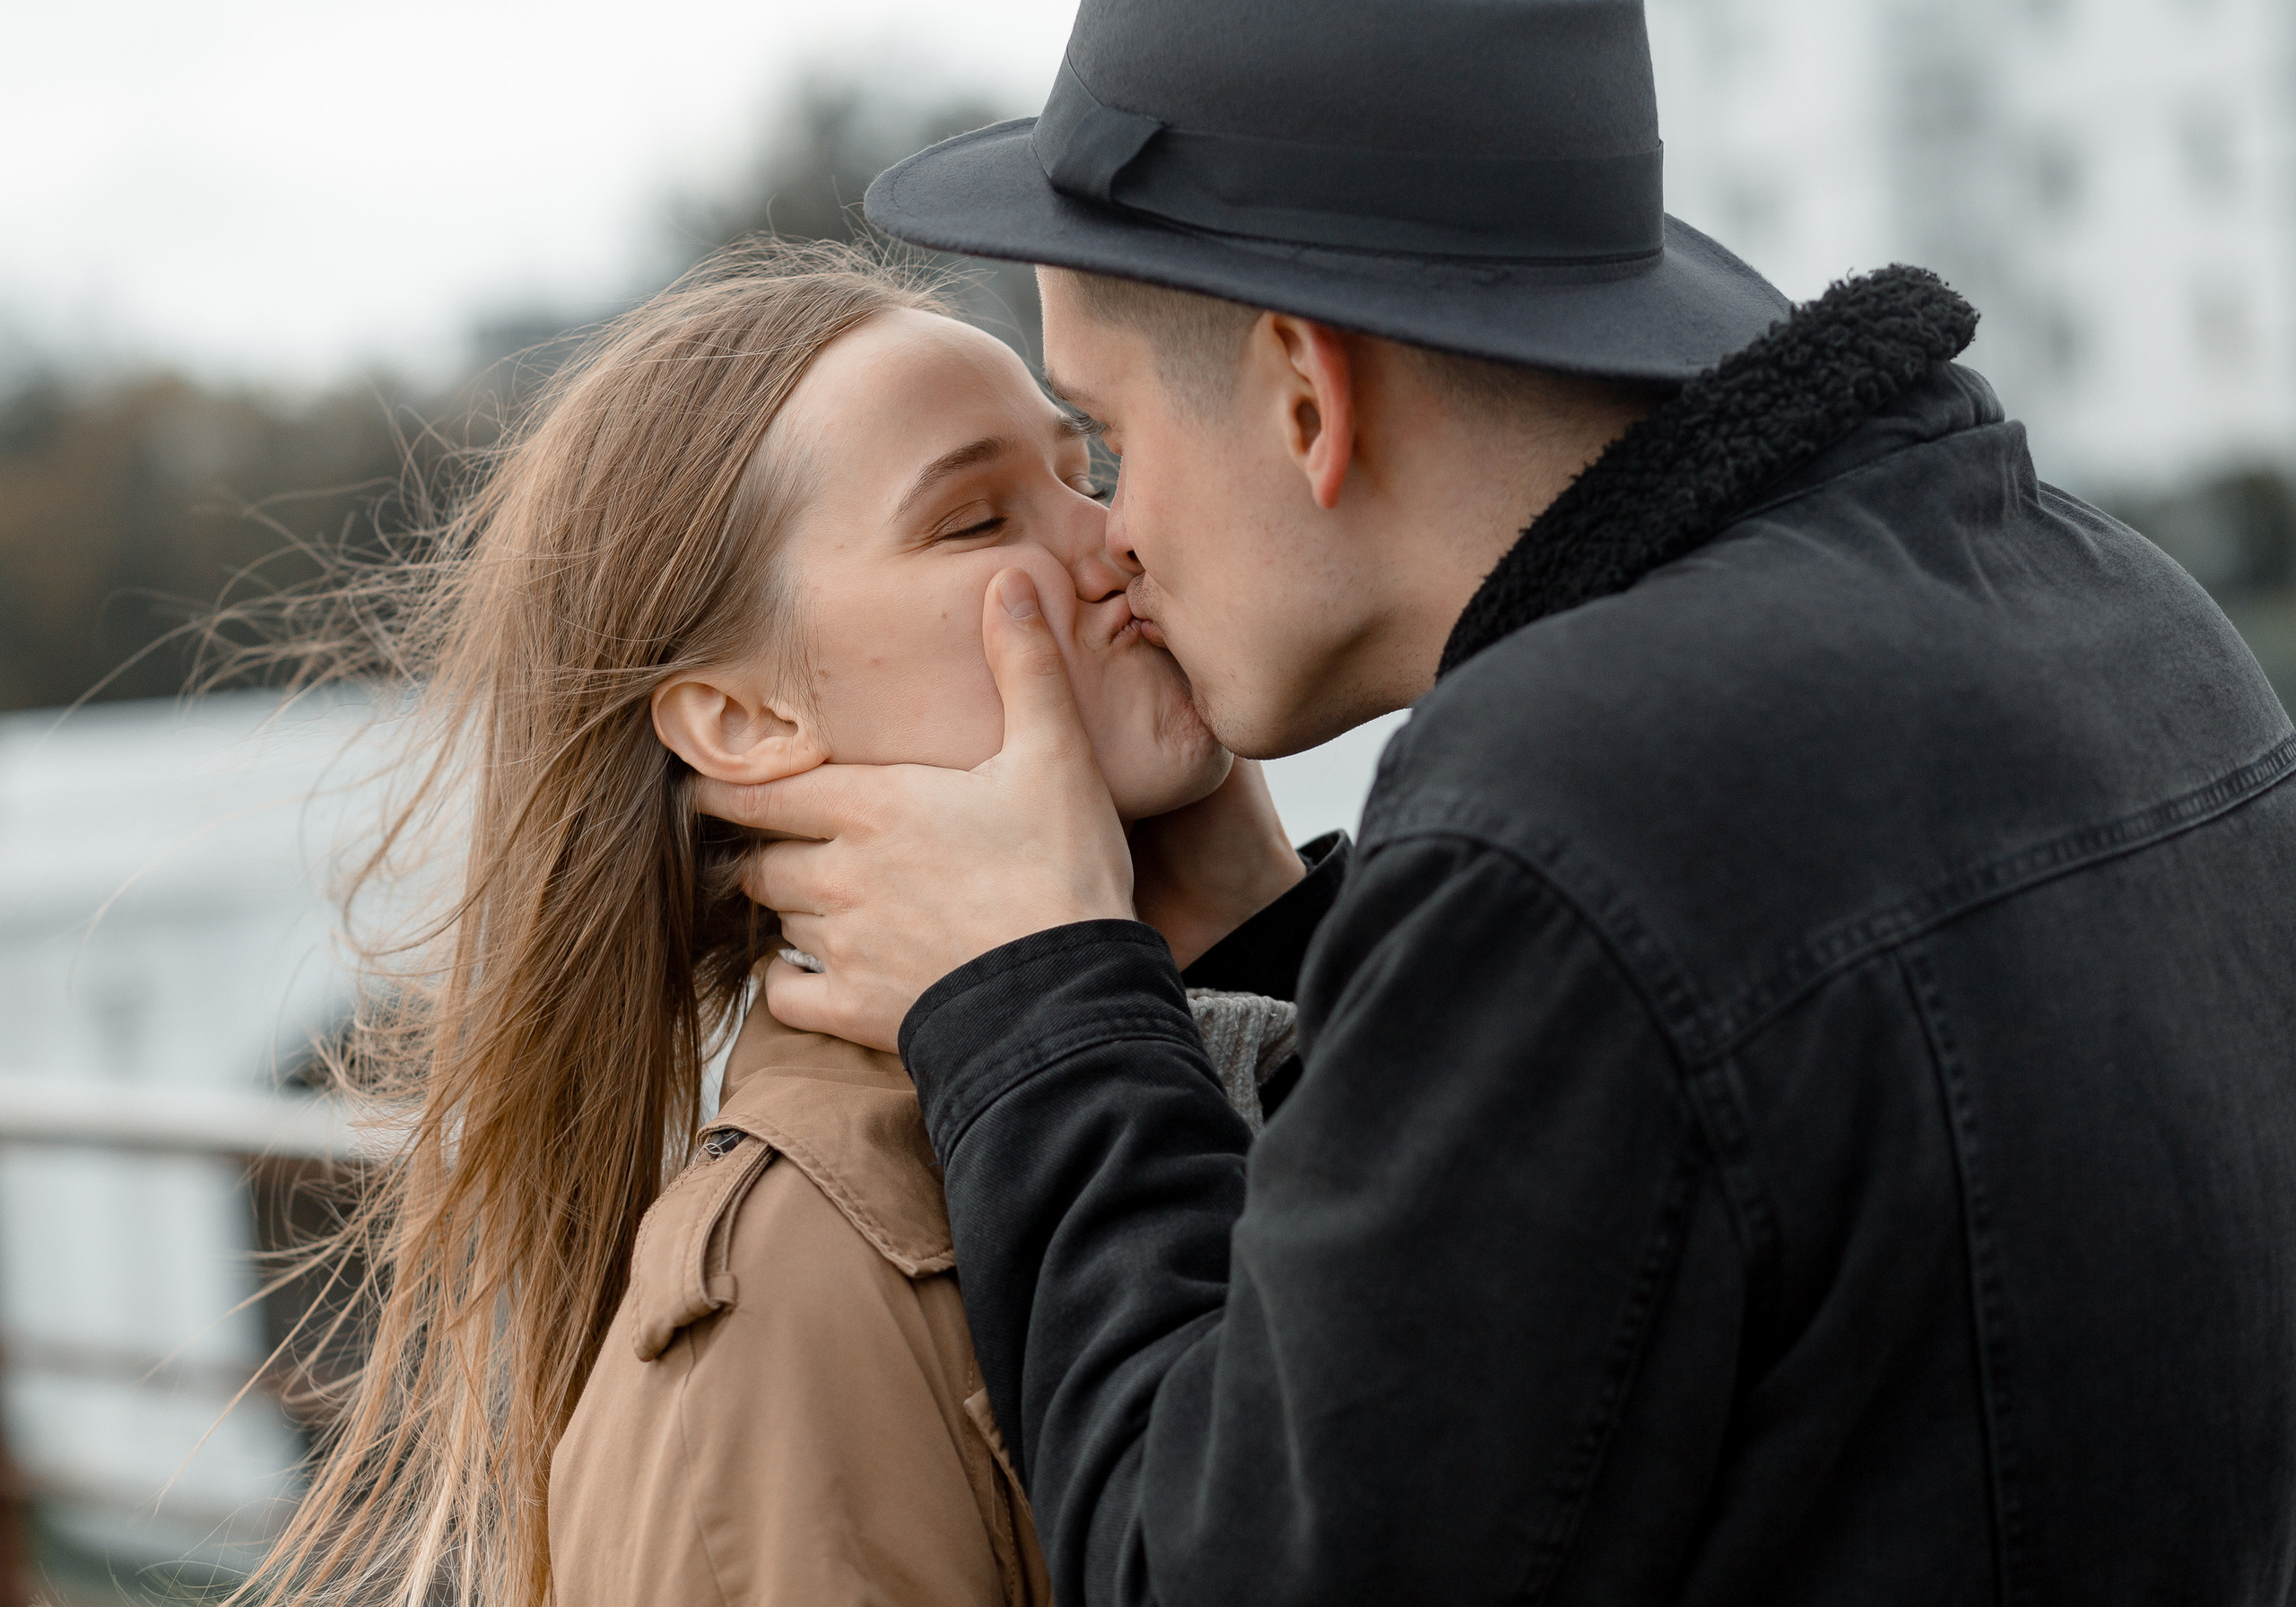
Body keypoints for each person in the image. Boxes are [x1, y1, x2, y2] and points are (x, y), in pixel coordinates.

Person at [696, 2, 2296, 1603]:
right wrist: (1282, 935)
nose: (1108, 543)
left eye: (1105, 440)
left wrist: (1030, 998)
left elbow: (1226, 1571)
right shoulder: (2121, 613)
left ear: (1306, 399)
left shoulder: (1577, 809)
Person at [236, 244, 1307, 1607]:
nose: (1120, 538)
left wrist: (1251, 936)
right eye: (977, 522)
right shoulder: (791, 1303)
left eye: (1081, 468)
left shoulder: (1190, 1051)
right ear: (744, 724)